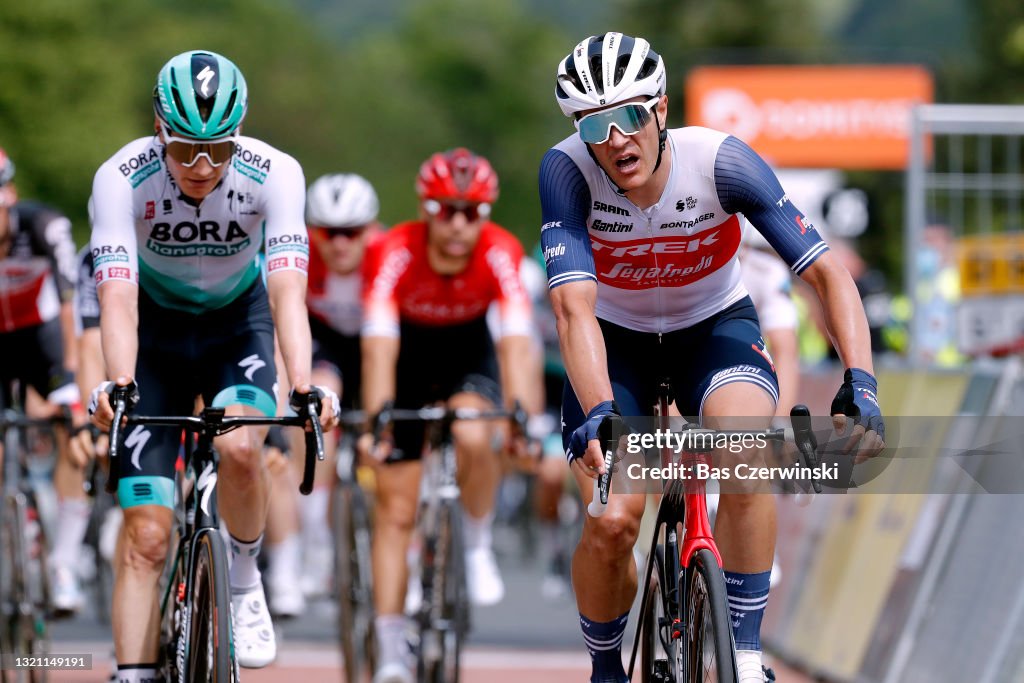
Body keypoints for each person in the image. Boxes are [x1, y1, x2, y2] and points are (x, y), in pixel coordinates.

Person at [540, 33, 886, 683]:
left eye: (631, 114)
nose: (616, 138)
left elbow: (827, 276)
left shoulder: (723, 163)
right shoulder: (565, 172)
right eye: (595, 124)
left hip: (713, 328)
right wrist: (602, 412)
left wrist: (860, 378)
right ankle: (605, 664)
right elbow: (572, 309)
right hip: (616, 342)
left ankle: (745, 652)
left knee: (744, 450)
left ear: (662, 109)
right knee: (613, 519)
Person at [87, 50, 338, 681]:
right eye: (186, 151)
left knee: (243, 449)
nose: (203, 167)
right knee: (146, 535)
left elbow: (286, 289)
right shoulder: (120, 176)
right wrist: (118, 382)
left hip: (236, 327)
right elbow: (115, 296)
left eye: (219, 151)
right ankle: (134, 672)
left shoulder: (274, 172)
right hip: (154, 336)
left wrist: (304, 384)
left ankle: (247, 583)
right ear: (158, 130)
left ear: (239, 134)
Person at [358, 148, 534, 683]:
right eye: (446, 209)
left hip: (466, 356)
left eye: (472, 211)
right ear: (425, 207)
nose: (459, 223)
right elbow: (378, 346)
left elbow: (518, 344)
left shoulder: (501, 251)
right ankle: (390, 649)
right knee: (394, 511)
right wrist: (377, 422)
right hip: (407, 358)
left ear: (486, 213)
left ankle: (476, 543)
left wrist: (521, 414)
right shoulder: (394, 250)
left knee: (475, 433)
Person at [265, 172, 382, 616]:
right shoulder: (299, 259)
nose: (339, 244)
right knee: (317, 400)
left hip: (376, 345)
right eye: (327, 232)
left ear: (370, 229)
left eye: (351, 232)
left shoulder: (386, 256)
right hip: (326, 348)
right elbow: (279, 331)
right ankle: (311, 539)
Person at [0, 145, 86, 615]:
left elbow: (71, 303)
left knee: (72, 430)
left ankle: (64, 563)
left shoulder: (42, 226)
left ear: (9, 195)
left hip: (41, 342)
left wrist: (69, 380)